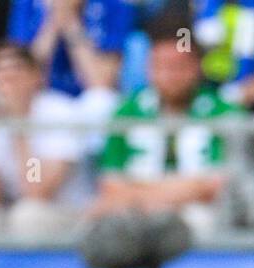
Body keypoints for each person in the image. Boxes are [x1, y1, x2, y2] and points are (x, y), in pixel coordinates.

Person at [91, 17, 241, 234]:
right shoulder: (125, 113)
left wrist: (142, 196)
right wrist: (175, 193)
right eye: (160, 66)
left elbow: (215, 187)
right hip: (137, 211)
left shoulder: (225, 113)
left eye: (178, 67)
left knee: (200, 220)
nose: (169, 75)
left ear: (196, 67)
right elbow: (110, 185)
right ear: (148, 68)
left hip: (197, 213)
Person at [0, 41, 86, 235]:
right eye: (0, 71)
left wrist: (19, 126)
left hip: (64, 212)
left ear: (36, 76)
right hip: (15, 211)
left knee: (28, 215)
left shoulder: (60, 112)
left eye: (16, 69)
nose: (7, 78)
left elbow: (37, 191)